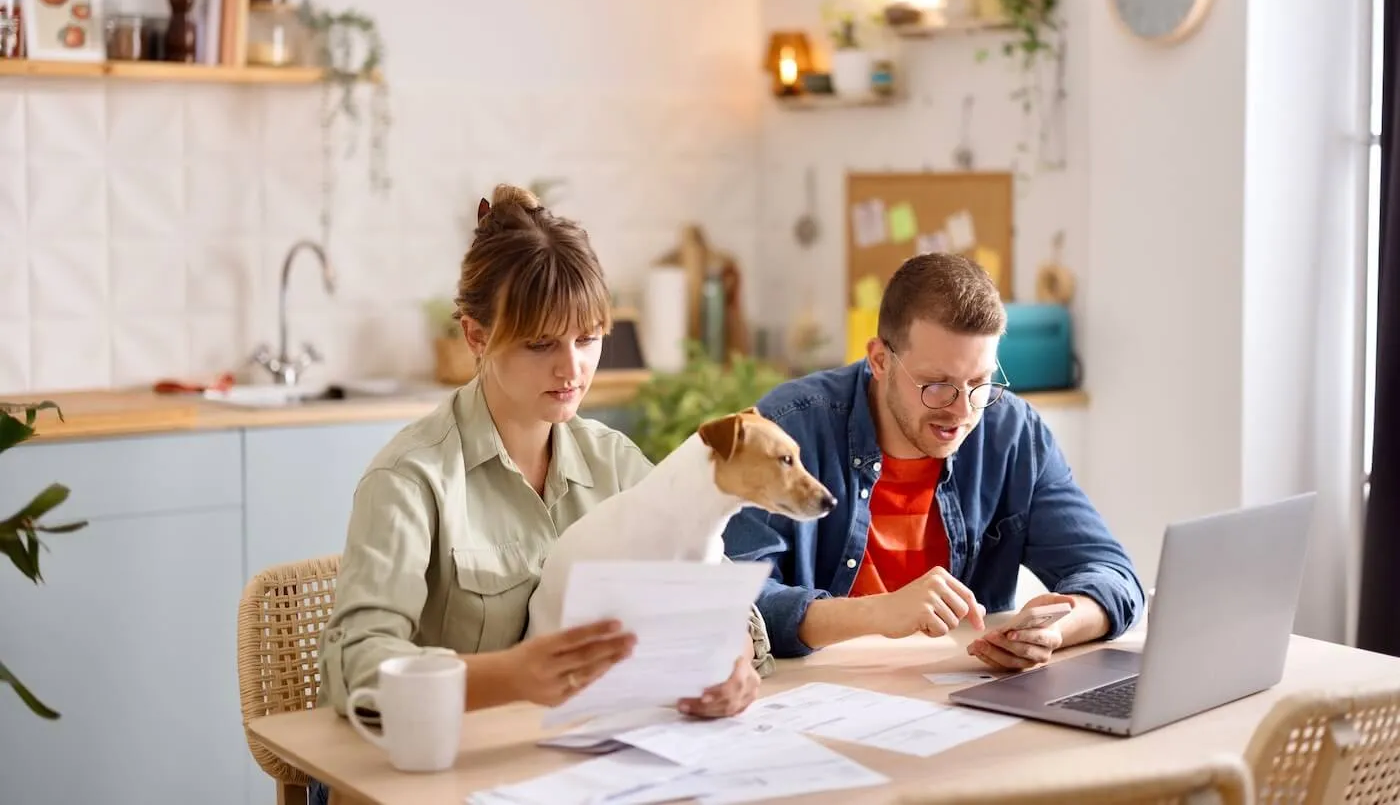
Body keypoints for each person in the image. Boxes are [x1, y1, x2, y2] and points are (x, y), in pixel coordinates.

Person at [311, 186, 771, 801]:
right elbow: (356, 668)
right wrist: (509, 677)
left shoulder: (614, 462)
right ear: (476, 337)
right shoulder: (410, 480)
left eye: (588, 339)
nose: (573, 368)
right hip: (444, 779)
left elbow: (712, 595)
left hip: (587, 771)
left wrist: (734, 662)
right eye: (540, 344)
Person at [722, 252, 1145, 672]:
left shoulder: (1012, 432)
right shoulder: (787, 428)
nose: (962, 412)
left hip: (959, 693)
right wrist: (880, 613)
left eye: (979, 383)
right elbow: (731, 600)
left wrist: (1054, 631)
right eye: (937, 385)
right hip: (814, 699)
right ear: (880, 360)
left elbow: (1113, 576)